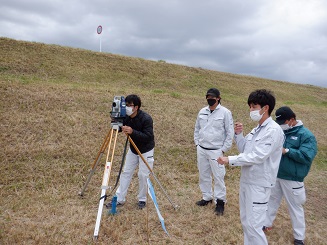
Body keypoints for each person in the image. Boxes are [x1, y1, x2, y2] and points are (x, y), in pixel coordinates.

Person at [217, 89, 284, 244]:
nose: (251, 110)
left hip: (259, 184)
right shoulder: (257, 129)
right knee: (247, 222)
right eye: (250, 106)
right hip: (247, 180)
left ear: (265, 108)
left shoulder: (273, 130)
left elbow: (258, 156)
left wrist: (229, 159)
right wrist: (239, 135)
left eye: (254, 106)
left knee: (255, 226)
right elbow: (245, 150)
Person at [263, 106, 317, 245]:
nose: (281, 125)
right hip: (277, 175)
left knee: (295, 207)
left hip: (293, 179)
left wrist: (286, 150)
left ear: (292, 119)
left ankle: (299, 237)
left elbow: (306, 156)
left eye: (283, 122)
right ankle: (266, 223)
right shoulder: (280, 132)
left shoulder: (306, 136)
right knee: (271, 201)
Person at [107, 94, 155, 209]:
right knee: (126, 172)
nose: (127, 108)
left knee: (143, 175)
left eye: (130, 105)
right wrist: (115, 122)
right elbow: (119, 129)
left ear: (136, 107)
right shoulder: (126, 117)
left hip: (146, 150)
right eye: (126, 105)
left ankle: (142, 199)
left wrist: (132, 132)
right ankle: (119, 198)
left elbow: (148, 136)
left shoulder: (146, 119)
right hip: (133, 150)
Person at [194, 88, 234, 215]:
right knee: (203, 174)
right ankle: (207, 197)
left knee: (218, 176)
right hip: (202, 149)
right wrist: (197, 143)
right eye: (208, 97)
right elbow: (197, 128)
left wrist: (223, 149)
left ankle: (220, 202)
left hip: (216, 151)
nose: (209, 99)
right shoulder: (202, 111)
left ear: (218, 98)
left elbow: (229, 133)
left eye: (212, 97)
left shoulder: (225, 113)